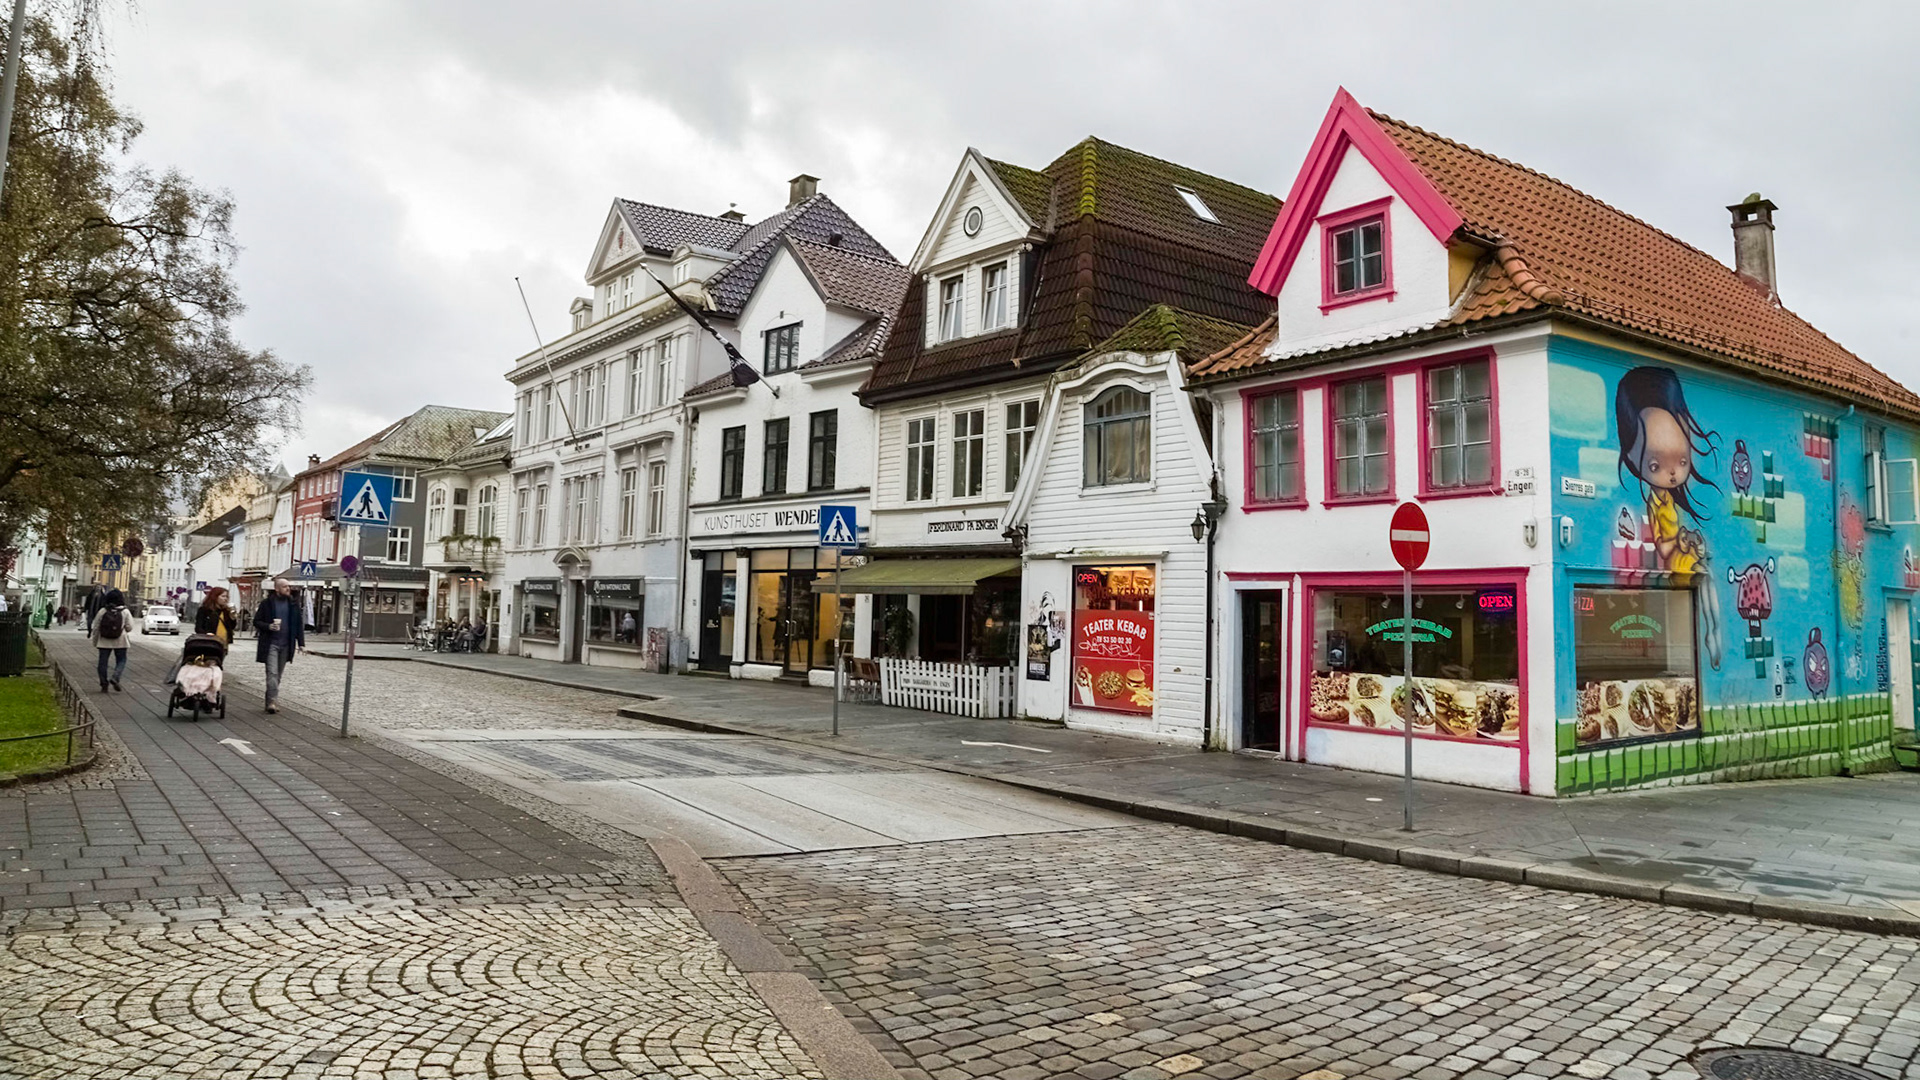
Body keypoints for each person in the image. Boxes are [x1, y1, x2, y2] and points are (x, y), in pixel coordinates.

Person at [252, 577, 305, 713]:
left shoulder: (293, 605)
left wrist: (301, 643)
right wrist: (269, 626)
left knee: (278, 675)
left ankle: (270, 699)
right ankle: (272, 702)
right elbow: (256, 621)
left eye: (288, 586)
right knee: (272, 673)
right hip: (271, 644)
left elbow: (298, 625)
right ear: (277, 589)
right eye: (285, 587)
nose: (288, 589)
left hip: (286, 644)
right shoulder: (267, 604)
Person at [89, 588, 131, 692]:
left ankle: (104, 684)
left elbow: (96, 627)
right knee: (121, 660)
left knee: (102, 663)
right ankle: (115, 677)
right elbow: (129, 627)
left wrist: (95, 641)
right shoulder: (125, 611)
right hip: (120, 641)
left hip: (104, 640)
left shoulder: (103, 611)